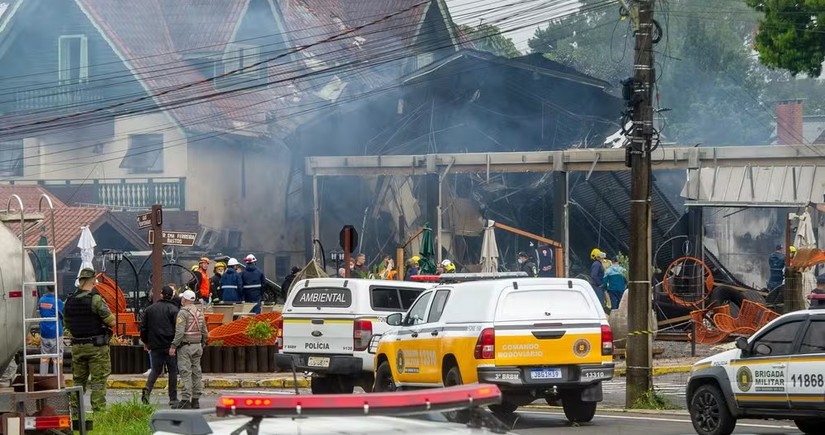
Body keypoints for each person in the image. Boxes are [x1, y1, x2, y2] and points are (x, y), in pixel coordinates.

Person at [63, 268, 115, 412]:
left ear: (80, 280)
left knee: (78, 380)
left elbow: (66, 325)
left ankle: (74, 410)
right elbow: (111, 322)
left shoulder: (69, 300)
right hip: (96, 347)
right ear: (93, 281)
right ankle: (98, 411)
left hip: (77, 347)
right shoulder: (96, 299)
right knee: (98, 381)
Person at [140, 285, 180, 407]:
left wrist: (146, 342)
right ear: (172, 296)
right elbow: (178, 329)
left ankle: (147, 389)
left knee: (155, 370)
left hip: (155, 345)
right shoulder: (174, 310)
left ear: (161, 294)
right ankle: (173, 398)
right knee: (172, 371)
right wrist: (175, 344)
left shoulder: (150, 309)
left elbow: (143, 328)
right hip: (169, 346)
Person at [170, 290, 208, 409]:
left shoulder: (183, 313)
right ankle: (196, 400)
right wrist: (203, 343)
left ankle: (186, 399)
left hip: (186, 346)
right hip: (197, 346)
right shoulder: (199, 312)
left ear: (184, 300)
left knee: (185, 372)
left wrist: (173, 345)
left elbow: (180, 332)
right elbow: (205, 332)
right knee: (197, 372)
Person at [38, 286, 64, 375]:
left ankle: (43, 375)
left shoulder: (41, 300)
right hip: (56, 332)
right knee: (57, 357)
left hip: (44, 331)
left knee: (44, 356)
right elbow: (62, 315)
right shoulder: (57, 302)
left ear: (46, 289)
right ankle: (57, 378)